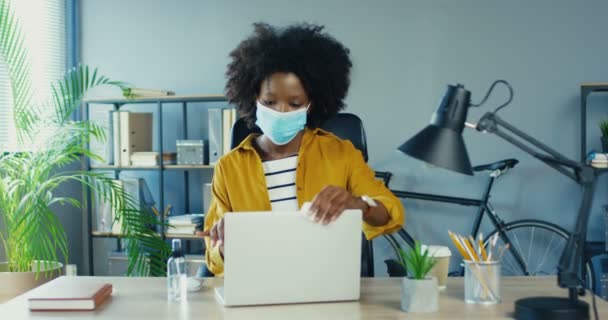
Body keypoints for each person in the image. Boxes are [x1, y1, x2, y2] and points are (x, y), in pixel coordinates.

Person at [199, 22, 405, 276]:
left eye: (295, 103)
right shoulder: (230, 167)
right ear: (252, 98)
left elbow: (391, 214)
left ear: (312, 104)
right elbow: (213, 259)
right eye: (270, 101)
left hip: (326, 287)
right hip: (259, 289)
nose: (281, 111)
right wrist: (224, 247)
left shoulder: (341, 154)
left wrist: (359, 205)